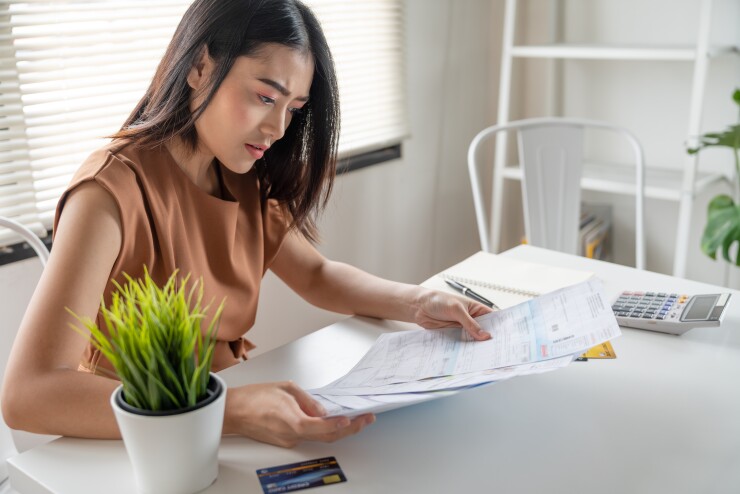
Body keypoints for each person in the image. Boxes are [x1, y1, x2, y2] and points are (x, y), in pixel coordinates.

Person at [1, 0, 492, 448]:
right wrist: (229, 411)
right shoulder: (109, 192)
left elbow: (317, 276)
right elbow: (28, 393)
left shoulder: (239, 172)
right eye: (264, 97)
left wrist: (419, 300)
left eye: (293, 109)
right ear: (199, 67)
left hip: (227, 422)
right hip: (141, 443)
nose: (278, 129)